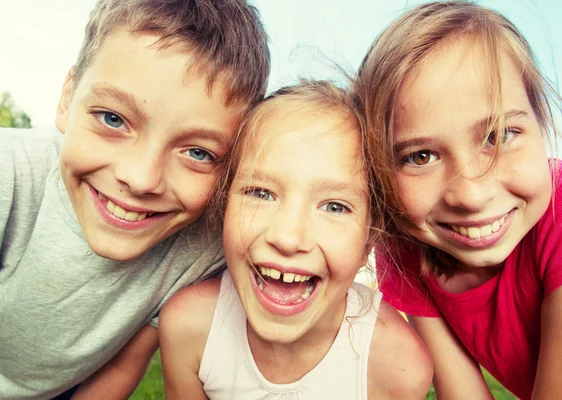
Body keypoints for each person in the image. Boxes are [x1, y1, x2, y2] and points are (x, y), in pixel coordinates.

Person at [0, 0, 270, 398]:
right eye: (112, 119)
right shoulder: (11, 173)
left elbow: (125, 363)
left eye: (198, 153)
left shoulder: (203, 247)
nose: (141, 179)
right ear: (67, 98)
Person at [356, 1, 562, 399]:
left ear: (541, 124)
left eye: (500, 135)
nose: (471, 195)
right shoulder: (405, 248)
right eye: (420, 157)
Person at [158, 80, 433, 399]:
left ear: (370, 240)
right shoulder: (190, 327)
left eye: (335, 206)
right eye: (261, 193)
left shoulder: (396, 365)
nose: (288, 238)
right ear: (224, 204)